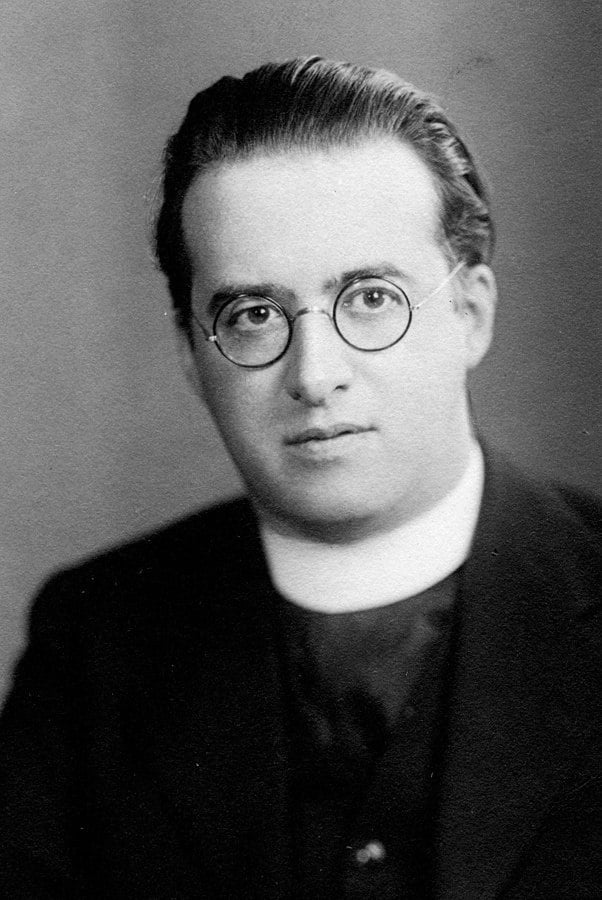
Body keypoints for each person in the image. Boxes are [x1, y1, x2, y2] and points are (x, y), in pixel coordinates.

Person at [0, 57, 600, 899]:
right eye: (254, 315)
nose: (315, 375)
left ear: (471, 313)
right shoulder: (95, 642)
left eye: (372, 299)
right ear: (191, 356)